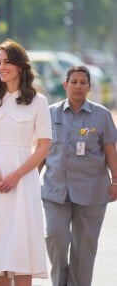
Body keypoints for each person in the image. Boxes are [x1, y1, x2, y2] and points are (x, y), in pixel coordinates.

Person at [0, 39, 51, 286]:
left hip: (23, 182)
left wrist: (17, 175)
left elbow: (44, 145)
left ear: (21, 66)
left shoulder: (38, 101)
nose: (1, 67)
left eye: (7, 62)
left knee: (21, 248)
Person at [40, 65, 117, 286]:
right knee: (56, 237)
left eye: (83, 83)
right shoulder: (50, 113)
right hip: (56, 192)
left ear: (89, 87)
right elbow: (41, 150)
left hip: (91, 193)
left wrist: (116, 181)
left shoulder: (101, 115)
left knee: (84, 250)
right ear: (65, 85)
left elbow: (111, 150)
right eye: (74, 82)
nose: (78, 86)